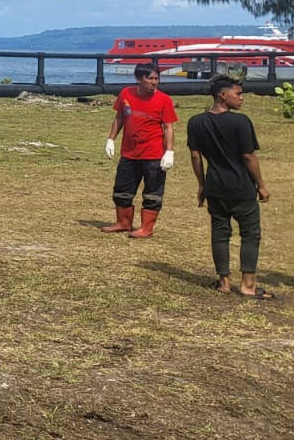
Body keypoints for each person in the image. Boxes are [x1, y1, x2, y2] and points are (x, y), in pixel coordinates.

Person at [188, 73, 273, 298]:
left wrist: (202, 185)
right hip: (241, 186)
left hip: (214, 186)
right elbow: (248, 157)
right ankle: (248, 284)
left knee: (220, 232)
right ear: (223, 95)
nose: (242, 98)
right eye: (238, 93)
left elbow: (196, 157)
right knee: (250, 233)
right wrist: (261, 184)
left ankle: (223, 282)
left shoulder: (196, 122)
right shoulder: (240, 122)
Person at [101, 64, 177, 238]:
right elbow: (119, 117)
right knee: (122, 189)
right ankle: (123, 223)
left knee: (152, 192)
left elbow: (168, 127)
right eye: (150, 78)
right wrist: (110, 139)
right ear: (138, 79)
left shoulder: (164, 100)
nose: (154, 82)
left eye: (157, 78)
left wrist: (169, 151)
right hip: (129, 152)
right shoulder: (126, 94)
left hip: (153, 154)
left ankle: (146, 228)